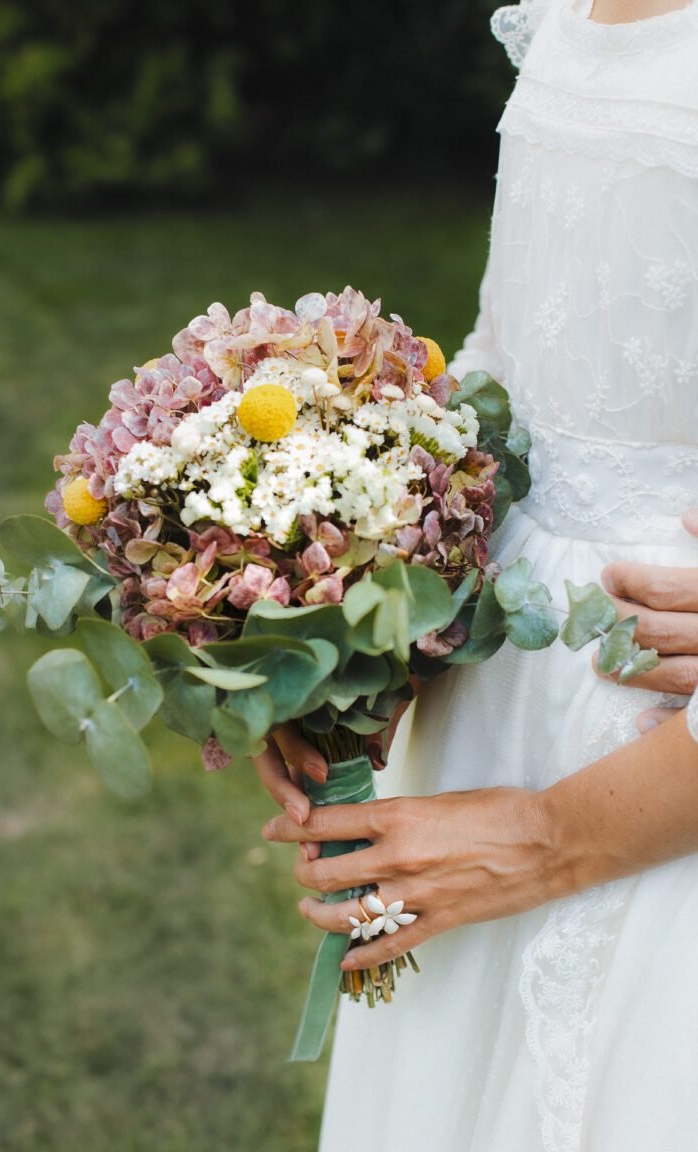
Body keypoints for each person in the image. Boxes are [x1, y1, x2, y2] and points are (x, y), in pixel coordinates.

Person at [255, 0, 698, 1148]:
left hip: (659, 734)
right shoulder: (562, 16)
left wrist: (552, 832)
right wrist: (354, 621)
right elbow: (520, 369)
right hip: (498, 683)